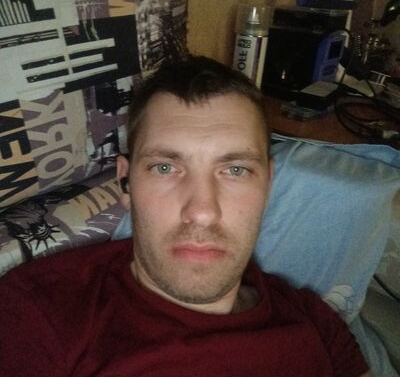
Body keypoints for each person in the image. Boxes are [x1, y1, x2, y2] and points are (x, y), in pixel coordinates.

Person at [0, 56, 371, 376]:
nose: (202, 212)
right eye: (165, 168)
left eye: (236, 170)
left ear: (268, 184)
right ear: (126, 182)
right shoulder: (35, 316)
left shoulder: (315, 321)